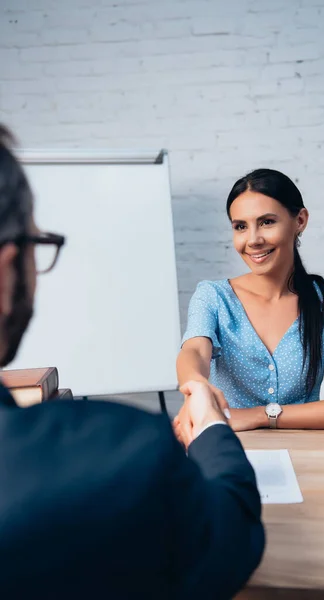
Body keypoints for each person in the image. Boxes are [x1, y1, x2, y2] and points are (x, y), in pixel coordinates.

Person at [0, 125, 264, 599]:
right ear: (5, 271)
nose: (252, 239)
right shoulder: (122, 456)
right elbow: (231, 532)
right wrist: (210, 426)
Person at [176, 169, 324, 432]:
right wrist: (196, 384)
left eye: (267, 222)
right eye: (240, 227)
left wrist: (260, 416)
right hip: (231, 447)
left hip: (310, 452)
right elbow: (195, 350)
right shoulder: (213, 296)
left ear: (300, 220)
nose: (253, 240)